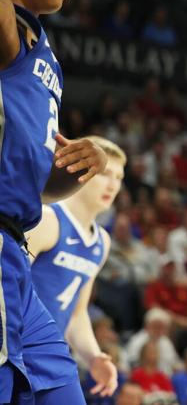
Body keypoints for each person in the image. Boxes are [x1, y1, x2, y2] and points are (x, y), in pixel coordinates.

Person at [0, 0, 116, 403]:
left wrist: (80, 169)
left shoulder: (44, 55)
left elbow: (39, 187)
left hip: (14, 254)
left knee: (63, 393)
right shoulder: (4, 23)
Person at [26, 136, 126, 398]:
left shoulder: (101, 242)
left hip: (52, 353)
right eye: (106, 174)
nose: (113, 185)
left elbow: (76, 313)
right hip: (18, 346)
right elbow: (7, 284)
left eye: (119, 177)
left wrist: (93, 357)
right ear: (80, 169)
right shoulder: (47, 219)